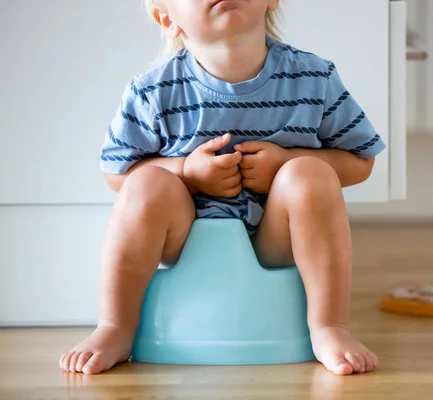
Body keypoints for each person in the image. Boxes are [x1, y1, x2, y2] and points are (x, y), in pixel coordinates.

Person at [59, 0, 385, 375]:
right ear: (167, 17)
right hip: (185, 235)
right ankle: (115, 328)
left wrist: (286, 161)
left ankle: (329, 326)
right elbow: (117, 172)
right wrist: (185, 171)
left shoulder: (314, 78)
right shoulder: (153, 90)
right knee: (145, 181)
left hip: (276, 237)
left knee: (310, 173)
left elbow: (361, 159)